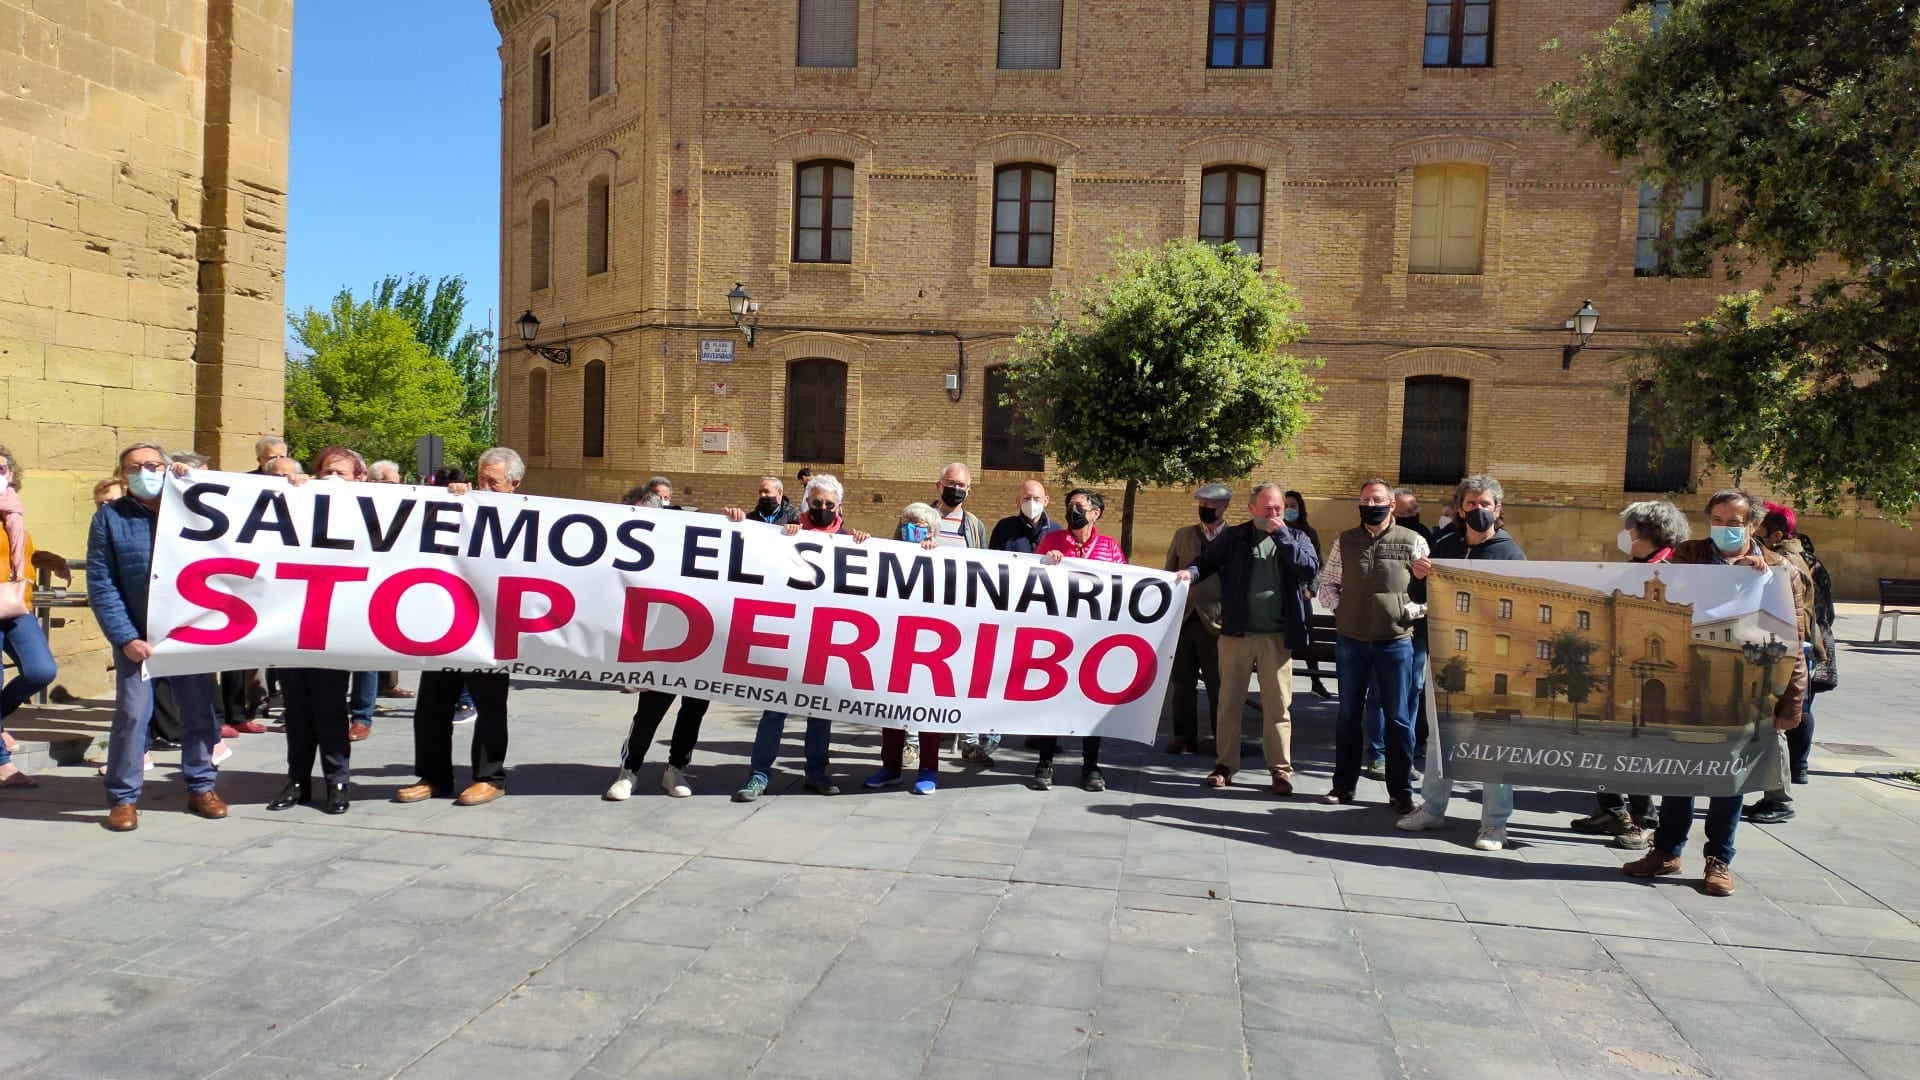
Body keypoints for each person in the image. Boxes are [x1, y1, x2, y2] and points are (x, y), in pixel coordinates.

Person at [1623, 488, 1807, 898]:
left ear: (1753, 525)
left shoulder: (1780, 569)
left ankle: (1719, 860)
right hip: (1690, 681)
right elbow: (1660, 589)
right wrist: (1726, 578)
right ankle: (1666, 851)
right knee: (1678, 774)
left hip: (1747, 690)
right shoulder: (1687, 555)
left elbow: (1795, 636)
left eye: (1734, 522)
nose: (1725, 528)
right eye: (1718, 520)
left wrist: (1793, 700)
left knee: (1730, 780)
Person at [89, 443, 227, 832]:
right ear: (122, 474)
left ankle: (202, 786)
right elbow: (102, 582)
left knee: (199, 713)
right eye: (135, 467)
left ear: (167, 468)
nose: (145, 472)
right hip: (137, 638)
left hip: (189, 633)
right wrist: (125, 637)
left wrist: (196, 481)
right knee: (133, 716)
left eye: (153, 465)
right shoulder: (109, 518)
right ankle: (123, 798)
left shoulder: (193, 504)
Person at [1397, 474, 1525, 849]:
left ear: (1498, 510)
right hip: (1446, 653)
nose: (1479, 511)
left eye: (1486, 505)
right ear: (1460, 508)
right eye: (1472, 504)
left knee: (1494, 739)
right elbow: (1422, 594)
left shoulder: (1510, 554)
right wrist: (1418, 576)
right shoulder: (1445, 544)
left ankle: (1494, 824)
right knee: (1440, 736)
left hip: (1491, 659)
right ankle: (1433, 808)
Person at [395, 449, 528, 808]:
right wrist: (449, 498)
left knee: (489, 705)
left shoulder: (529, 517)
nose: (483, 486)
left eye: (493, 482)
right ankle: (433, 776)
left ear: (514, 485)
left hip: (490, 628)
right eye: (480, 478)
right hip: (449, 622)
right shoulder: (460, 505)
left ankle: (490, 777)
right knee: (432, 704)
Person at [1178, 483, 1320, 795]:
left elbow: (1308, 567)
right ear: (1251, 508)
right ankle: (1225, 765)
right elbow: (1207, 561)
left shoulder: (1297, 536)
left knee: (1278, 706)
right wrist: (1190, 573)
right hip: (1237, 635)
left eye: (1278, 508)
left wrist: (1281, 535)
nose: (1274, 514)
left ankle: (1280, 770)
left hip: (1277, 637)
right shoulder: (1236, 536)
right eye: (1267, 508)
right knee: (1228, 702)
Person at [733, 474, 867, 802]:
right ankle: (759, 775)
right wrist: (739, 523)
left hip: (826, 638)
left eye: (829, 504)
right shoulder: (786, 532)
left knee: (820, 710)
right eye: (816, 502)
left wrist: (865, 545)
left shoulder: (851, 540)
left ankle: (817, 773)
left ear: (839, 506)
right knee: (774, 708)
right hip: (787, 635)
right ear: (807, 502)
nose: (822, 508)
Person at [1569, 500, 1689, 848]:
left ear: (1643, 531)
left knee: (1634, 752)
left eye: (1629, 528)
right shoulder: (1635, 567)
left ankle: (1646, 821)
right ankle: (1613, 810)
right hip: (1611, 672)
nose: (1625, 534)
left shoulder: (1671, 569)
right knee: (1603, 743)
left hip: (1649, 684)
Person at [1318, 478, 1430, 813]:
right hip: (1351, 641)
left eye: (1378, 499)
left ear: (1392, 504)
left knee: (1398, 719)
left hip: (1395, 642)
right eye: (1366, 499)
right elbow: (1327, 584)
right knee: (1348, 716)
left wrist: (1405, 613)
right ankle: (1343, 785)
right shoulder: (1346, 540)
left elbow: (1430, 594)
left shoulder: (1413, 541)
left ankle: (1401, 791)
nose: (1371, 505)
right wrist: (1342, 608)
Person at [267, 446, 360, 815]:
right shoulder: (300, 503)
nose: (334, 480)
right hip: (294, 622)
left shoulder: (373, 512)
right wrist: (291, 489)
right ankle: (298, 780)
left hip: (336, 625)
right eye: (327, 472)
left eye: (343, 474)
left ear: (360, 480)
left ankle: (337, 781)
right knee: (297, 709)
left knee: (331, 708)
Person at [607, 489, 711, 799]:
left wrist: (738, 520)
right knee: (649, 712)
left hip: (704, 645)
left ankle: (676, 769)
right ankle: (629, 771)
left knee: (693, 711)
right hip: (662, 645)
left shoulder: (693, 537)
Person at [1033, 489, 1125, 791]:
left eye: (1079, 506)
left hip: (1092, 640)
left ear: (1095, 513)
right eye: (1070, 505)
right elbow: (1030, 576)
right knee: (1051, 700)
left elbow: (1124, 585)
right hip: (1057, 638)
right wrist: (1047, 562)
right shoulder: (1052, 541)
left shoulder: (1109, 547)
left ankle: (1091, 766)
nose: (1073, 511)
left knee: (1090, 702)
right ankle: (1045, 763)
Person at [1745, 502, 1822, 824]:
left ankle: (1779, 799)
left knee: (1775, 724)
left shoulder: (1783, 563)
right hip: (1784, 648)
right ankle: (1780, 791)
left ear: (1774, 534)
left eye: (1756, 529)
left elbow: (1793, 617)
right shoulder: (1792, 556)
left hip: (1783, 650)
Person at [866, 503, 946, 794]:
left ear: (932, 531)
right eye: (908, 520)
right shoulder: (887, 552)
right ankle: (890, 767)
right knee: (890, 710)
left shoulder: (943, 558)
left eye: (919, 523)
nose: (912, 526)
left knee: (928, 711)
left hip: (929, 645)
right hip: (892, 641)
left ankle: (928, 769)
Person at [0, 446, 67, 788]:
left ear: (11, 474)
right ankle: (2, 764)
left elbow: (18, 557)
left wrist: (47, 559)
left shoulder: (13, 515)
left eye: (1, 468)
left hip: (13, 606)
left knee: (41, 670)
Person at [1161, 484, 1232, 756]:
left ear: (1224, 507)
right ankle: (1183, 736)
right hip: (1185, 618)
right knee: (1182, 681)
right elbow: (1168, 572)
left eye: (1210, 506)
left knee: (1218, 684)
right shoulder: (1183, 535)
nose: (1204, 509)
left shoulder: (1234, 537)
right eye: (1201, 504)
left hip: (1218, 621)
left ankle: (1221, 737)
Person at [1284, 490, 1334, 700]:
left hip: (1301, 594)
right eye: (1285, 505)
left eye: (1293, 505)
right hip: (1279, 594)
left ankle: (1315, 680)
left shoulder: (1308, 533)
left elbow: (1317, 566)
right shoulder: (1272, 529)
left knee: (1307, 637)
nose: (1289, 509)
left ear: (1300, 508)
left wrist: (1311, 589)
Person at [988, 479, 1062, 554]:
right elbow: (993, 559)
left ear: (1045, 501)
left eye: (1036, 498)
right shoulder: (1004, 528)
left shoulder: (1057, 532)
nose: (1032, 502)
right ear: (1018, 501)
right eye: (1027, 498)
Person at [724, 476, 799, 527]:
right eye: (760, 492)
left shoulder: (794, 517)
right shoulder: (751, 517)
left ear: (779, 493)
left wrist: (796, 529)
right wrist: (738, 520)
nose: (762, 495)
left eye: (766, 491)